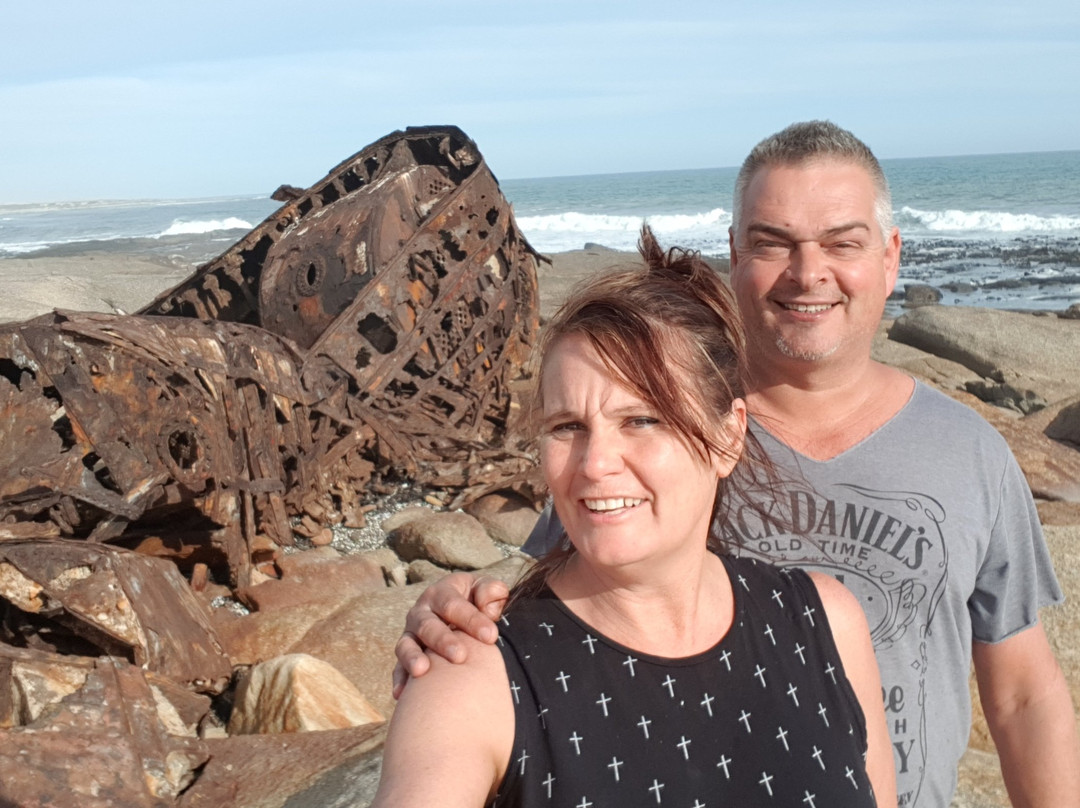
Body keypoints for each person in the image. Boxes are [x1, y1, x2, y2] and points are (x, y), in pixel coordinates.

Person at [394, 121, 1080, 807]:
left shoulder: (971, 453)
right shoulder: (650, 443)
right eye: (772, 243)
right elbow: (561, 602)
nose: (808, 272)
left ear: (891, 256)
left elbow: (1022, 694)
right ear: (734, 254)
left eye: (842, 242)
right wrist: (453, 616)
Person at [373, 228, 896, 807]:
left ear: (728, 438)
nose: (595, 465)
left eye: (642, 420)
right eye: (567, 426)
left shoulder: (823, 623)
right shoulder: (474, 671)